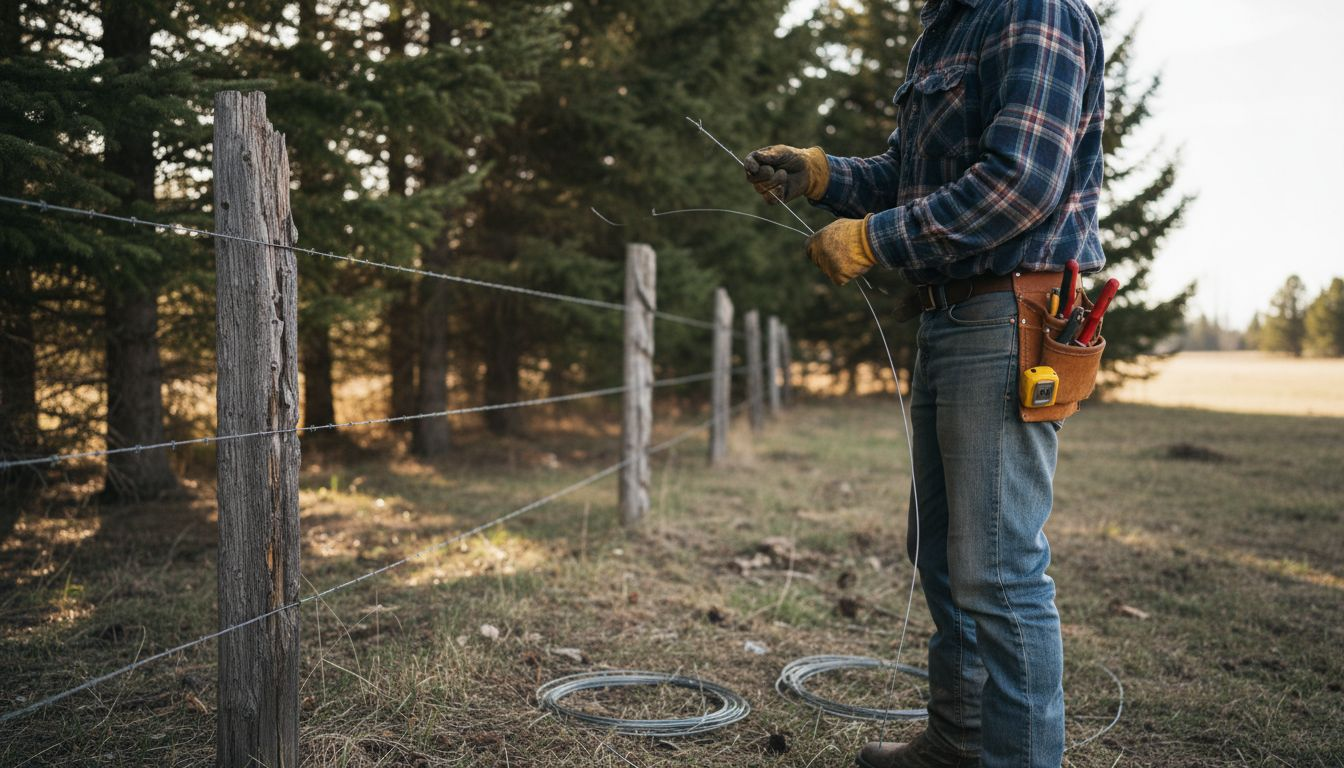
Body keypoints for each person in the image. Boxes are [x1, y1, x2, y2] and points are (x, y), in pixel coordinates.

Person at [744, 0, 1106, 766]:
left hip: (1009, 312)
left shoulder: (1030, 10)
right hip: (950, 316)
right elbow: (910, 178)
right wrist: (823, 176)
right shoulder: (946, 27)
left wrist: (876, 238)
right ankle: (960, 743)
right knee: (940, 549)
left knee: (997, 568)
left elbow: (1021, 183)